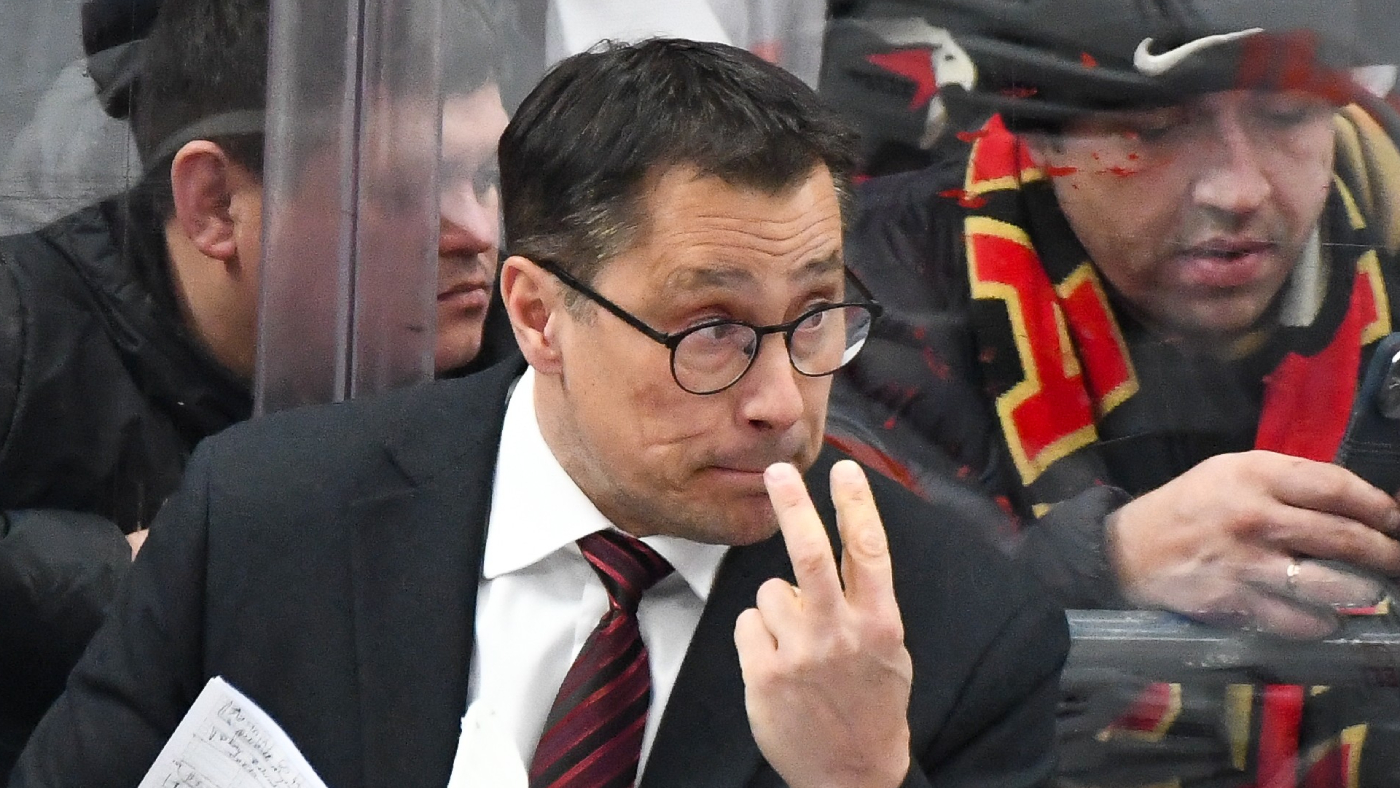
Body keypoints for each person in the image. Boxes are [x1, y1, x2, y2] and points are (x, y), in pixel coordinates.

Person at [9, 38, 1068, 788]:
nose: (780, 402)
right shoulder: (268, 517)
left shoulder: (958, 631)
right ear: (537, 314)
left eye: (814, 320)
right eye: (710, 330)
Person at [823, 0, 1400, 784]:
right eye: (1154, 128)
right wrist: (1109, 564)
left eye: (1288, 114)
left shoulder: (1391, 239)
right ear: (1039, 133)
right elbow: (801, 654)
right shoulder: (857, 305)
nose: (1238, 188)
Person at [0, 0, 509, 777]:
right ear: (215, 205)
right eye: (402, 189)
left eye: (487, 177)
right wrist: (154, 571)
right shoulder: (25, 330)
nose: (478, 233)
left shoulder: (522, 352)